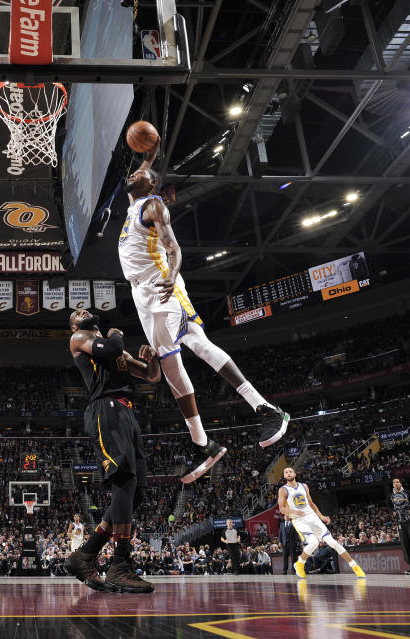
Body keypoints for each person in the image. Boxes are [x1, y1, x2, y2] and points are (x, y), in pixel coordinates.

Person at [120, 144, 289, 483]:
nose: (133, 173)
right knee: (172, 363)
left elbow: (173, 248)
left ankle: (264, 408)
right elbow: (139, 172)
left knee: (195, 345)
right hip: (140, 292)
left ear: (151, 184)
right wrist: (150, 153)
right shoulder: (134, 203)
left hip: (160, 282)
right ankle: (205, 444)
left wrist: (170, 275)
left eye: (141, 173)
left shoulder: (153, 204)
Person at [65, 309, 161, 593]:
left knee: (137, 492)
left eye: (85, 308)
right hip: (103, 408)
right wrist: (116, 333)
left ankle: (85, 555)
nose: (82, 310)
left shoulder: (113, 348)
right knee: (123, 480)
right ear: (73, 327)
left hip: (127, 411)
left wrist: (152, 360)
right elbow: (114, 346)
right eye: (76, 313)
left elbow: (151, 376)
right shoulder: (81, 339)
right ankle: (120, 564)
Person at [277, 467, 365, 578]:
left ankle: (355, 567)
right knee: (313, 543)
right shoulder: (283, 490)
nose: (288, 473)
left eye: (290, 471)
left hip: (312, 517)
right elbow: (281, 509)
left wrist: (321, 516)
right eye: (286, 472)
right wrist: (294, 511)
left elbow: (311, 503)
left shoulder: (304, 486)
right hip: (299, 520)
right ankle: (300, 563)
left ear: (294, 473)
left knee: (333, 542)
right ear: (284, 476)